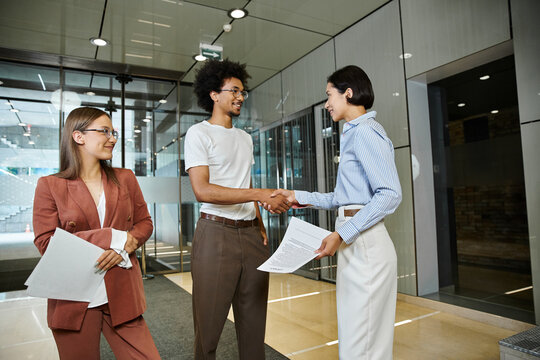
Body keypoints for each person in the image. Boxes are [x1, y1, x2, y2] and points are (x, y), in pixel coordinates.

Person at [271, 65, 402, 359]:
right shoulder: (354, 133)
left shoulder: (366, 132)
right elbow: (342, 197)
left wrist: (342, 233)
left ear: (349, 93)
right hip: (356, 242)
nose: (327, 103)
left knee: (363, 343)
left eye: (330, 95)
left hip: (365, 245)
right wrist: (298, 196)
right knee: (356, 338)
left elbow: (390, 194)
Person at [32, 107, 160, 360]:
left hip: (121, 292)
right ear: (78, 137)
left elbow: (144, 223)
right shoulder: (50, 185)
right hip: (73, 296)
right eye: (104, 131)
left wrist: (123, 247)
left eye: (113, 132)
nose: (112, 138)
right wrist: (112, 237)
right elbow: (47, 243)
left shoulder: (125, 178)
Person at [184, 59, 290, 360]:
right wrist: (259, 194)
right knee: (209, 331)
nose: (241, 96)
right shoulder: (198, 134)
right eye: (234, 90)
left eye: (243, 91)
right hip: (215, 234)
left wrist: (260, 223)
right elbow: (202, 189)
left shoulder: (245, 139)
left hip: (252, 239)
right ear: (214, 94)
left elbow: (245, 182)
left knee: (254, 329)